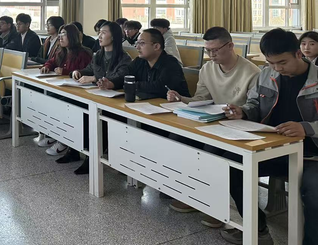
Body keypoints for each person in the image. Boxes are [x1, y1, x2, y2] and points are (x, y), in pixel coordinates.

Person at [222, 29, 318, 245]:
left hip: (311, 155)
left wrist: (306, 128)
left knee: (315, 192)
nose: (277, 68)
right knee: (231, 166)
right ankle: (258, 229)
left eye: (282, 62)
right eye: (271, 63)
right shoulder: (267, 75)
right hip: (273, 148)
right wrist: (243, 111)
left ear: (298, 54)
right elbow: (255, 103)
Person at [166, 26, 260, 221]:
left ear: (230, 46)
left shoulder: (252, 72)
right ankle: (192, 193)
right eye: (208, 50)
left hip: (239, 126)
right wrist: (181, 99)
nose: (211, 55)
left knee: (210, 150)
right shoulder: (207, 68)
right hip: (213, 121)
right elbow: (201, 98)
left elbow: (255, 107)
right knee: (178, 138)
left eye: (215, 50)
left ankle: (214, 205)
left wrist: (240, 111)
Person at [71, 21, 131, 174]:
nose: (99, 36)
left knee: (97, 118)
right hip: (98, 98)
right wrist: (78, 72)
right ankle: (76, 149)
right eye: (99, 33)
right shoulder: (98, 55)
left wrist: (94, 78)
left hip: (116, 102)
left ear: (114, 36)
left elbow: (118, 78)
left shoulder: (124, 58)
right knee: (79, 110)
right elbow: (89, 69)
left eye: (104, 33)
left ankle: (92, 157)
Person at [41, 23, 92, 159]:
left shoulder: (83, 53)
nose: (60, 37)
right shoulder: (62, 51)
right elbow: (51, 61)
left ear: (72, 36)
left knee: (60, 104)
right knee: (49, 98)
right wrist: (47, 66)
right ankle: (53, 134)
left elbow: (83, 72)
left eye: (64, 34)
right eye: (60, 34)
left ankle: (63, 139)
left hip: (79, 92)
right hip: (63, 88)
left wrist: (65, 71)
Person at [127, 28, 189, 99]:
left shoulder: (171, 64)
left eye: (142, 43)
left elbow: (160, 87)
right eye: (137, 43)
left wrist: (133, 85)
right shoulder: (140, 60)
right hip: (150, 102)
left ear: (156, 46)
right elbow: (125, 75)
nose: (137, 47)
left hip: (174, 104)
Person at [33, 15, 65, 149]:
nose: (47, 27)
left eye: (49, 25)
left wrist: (42, 62)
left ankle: (53, 133)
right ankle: (45, 130)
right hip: (47, 72)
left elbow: (56, 62)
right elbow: (45, 59)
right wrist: (44, 64)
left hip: (57, 77)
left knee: (50, 98)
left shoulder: (61, 43)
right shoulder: (47, 40)